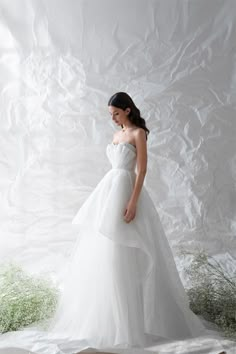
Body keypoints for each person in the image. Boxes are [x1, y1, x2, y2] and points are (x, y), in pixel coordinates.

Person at [46, 92, 207, 350]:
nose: (113, 119)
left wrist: (133, 201)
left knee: (129, 253)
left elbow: (141, 169)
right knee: (107, 254)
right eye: (110, 115)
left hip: (128, 190)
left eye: (116, 114)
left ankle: (132, 326)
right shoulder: (116, 134)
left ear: (128, 110)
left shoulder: (138, 134)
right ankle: (111, 323)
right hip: (109, 190)